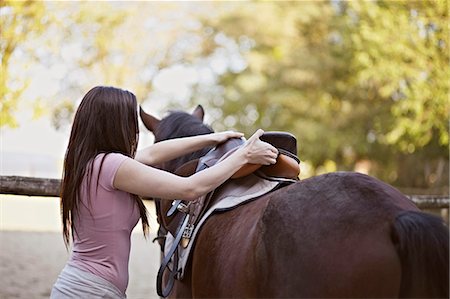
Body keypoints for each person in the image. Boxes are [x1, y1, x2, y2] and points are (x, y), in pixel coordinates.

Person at [50, 86, 278, 298]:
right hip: (90, 292)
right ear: (113, 124)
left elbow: (151, 154)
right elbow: (190, 188)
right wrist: (244, 155)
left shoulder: (91, 163)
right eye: (130, 121)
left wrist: (212, 138)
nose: (134, 130)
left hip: (87, 288)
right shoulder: (112, 165)